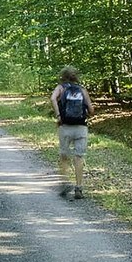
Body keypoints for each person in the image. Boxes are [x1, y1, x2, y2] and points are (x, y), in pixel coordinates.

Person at [50, 66, 92, 199]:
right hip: (81, 127)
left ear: (63, 76)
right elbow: (91, 109)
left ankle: (64, 183)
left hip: (65, 127)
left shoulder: (61, 88)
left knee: (64, 155)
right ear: (76, 76)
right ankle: (78, 188)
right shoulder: (82, 89)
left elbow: (52, 99)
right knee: (79, 157)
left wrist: (58, 115)